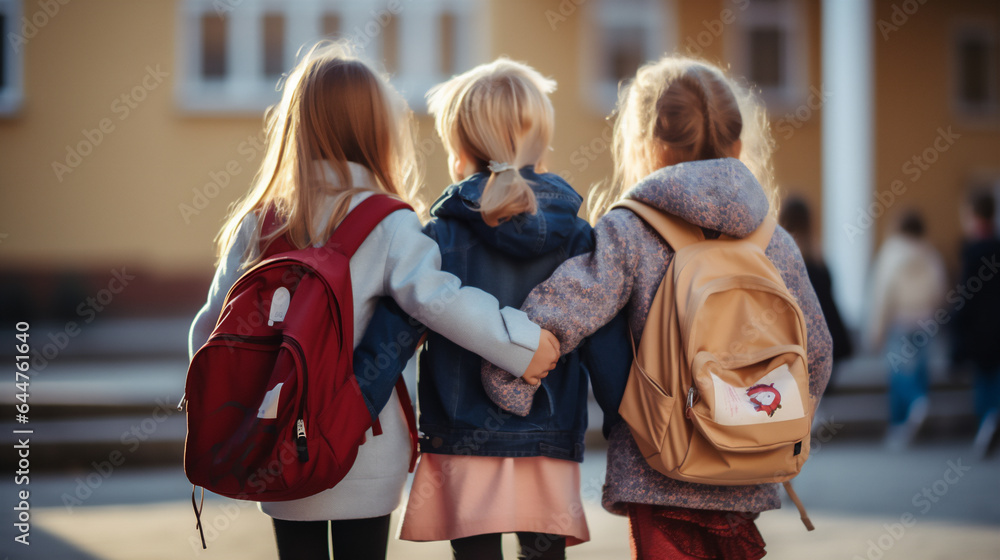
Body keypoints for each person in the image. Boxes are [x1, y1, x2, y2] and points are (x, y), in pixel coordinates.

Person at [187, 43, 559, 560]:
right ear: (378, 130)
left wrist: (241, 411)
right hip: (361, 441)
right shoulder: (387, 221)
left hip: (275, 441)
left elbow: (210, 328)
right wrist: (522, 345)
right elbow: (440, 302)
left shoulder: (260, 220)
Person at [483, 55, 833, 559]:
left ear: (648, 146)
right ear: (737, 146)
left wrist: (506, 381)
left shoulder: (630, 228)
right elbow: (816, 351)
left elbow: (568, 308)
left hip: (660, 465)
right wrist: (765, 428)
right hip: (747, 465)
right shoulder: (773, 241)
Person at [351, 58, 630, 560]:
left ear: (459, 151)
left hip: (463, 441)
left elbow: (393, 336)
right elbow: (605, 342)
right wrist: (626, 423)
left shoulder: (440, 236)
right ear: (541, 143)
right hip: (548, 438)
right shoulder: (579, 236)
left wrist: (351, 405)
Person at [866, 209, 947, 451]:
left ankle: (906, 416)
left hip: (899, 321)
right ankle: (917, 409)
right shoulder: (930, 253)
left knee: (899, 370)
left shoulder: (891, 253)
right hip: (925, 319)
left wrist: (876, 330)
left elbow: (882, 295)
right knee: (921, 368)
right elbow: (940, 288)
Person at [779, 196, 854, 388]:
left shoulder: (779, 264)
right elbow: (828, 307)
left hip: (790, 349)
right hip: (819, 350)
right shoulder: (819, 263)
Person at [952, 189, 1000, 458]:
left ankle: (987, 424)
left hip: (981, 328)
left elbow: (967, 294)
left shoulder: (972, 250)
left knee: (984, 379)